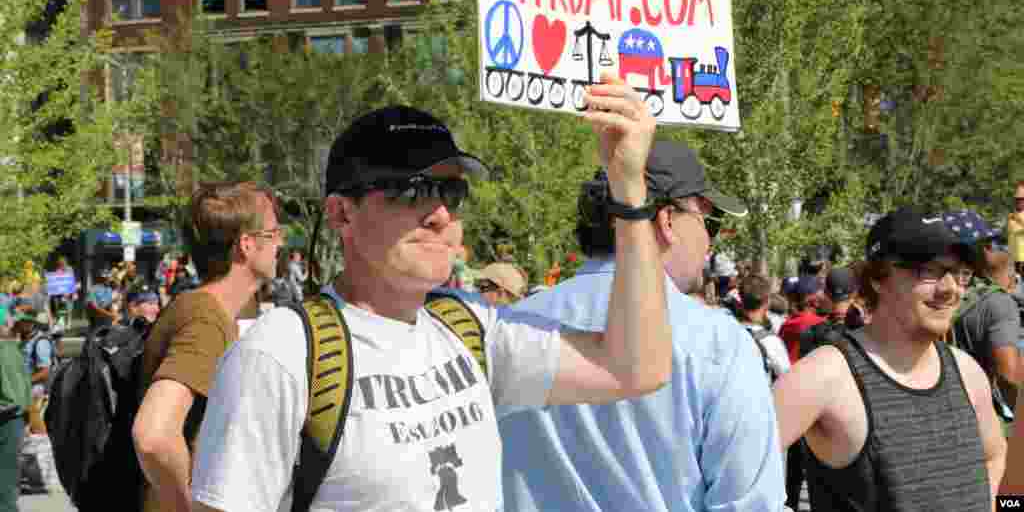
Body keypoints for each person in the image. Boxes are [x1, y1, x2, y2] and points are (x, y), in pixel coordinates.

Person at [191, 80, 673, 512]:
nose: (441, 215)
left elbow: (636, 369)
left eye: (451, 192)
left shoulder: (468, 327)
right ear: (341, 215)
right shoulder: (280, 354)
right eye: (410, 190)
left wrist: (628, 190)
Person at [499, 140, 785, 512]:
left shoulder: (512, 325)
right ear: (668, 221)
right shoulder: (719, 343)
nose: (710, 244)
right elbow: (750, 505)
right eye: (710, 221)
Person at [773, 207, 1005, 510]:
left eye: (962, 273)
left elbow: (996, 455)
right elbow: (726, 475)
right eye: (929, 270)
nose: (950, 289)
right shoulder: (825, 376)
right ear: (879, 278)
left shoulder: (968, 373)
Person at [132, 181, 282, 512]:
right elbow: (153, 436)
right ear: (246, 245)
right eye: (272, 234)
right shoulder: (205, 319)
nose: (281, 242)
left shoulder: (211, 310)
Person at [946, 210, 1021, 423]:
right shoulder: (996, 303)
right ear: (983, 249)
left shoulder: (926, 295)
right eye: (989, 242)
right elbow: (1008, 377)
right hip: (976, 418)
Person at [0, 306, 30, 512]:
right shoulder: (10, 350)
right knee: (7, 482)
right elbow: (18, 395)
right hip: (11, 420)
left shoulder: (11, 349)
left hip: (10, 419)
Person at [736, 273, 790, 382]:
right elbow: (786, 378)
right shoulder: (771, 342)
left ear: (740, 301)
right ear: (767, 302)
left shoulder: (727, 333)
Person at [1008, 181, 1024, 279]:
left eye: (1021, 199)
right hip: (1012, 257)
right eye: (1017, 199)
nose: (1018, 201)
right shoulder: (1011, 215)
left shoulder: (1015, 216)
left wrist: (1019, 219)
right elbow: (1011, 233)